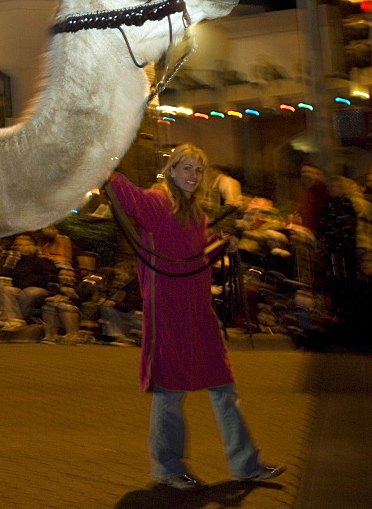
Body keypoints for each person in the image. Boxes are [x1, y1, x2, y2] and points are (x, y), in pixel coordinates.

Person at [106, 144, 283, 490]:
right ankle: (168, 469)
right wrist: (102, 159)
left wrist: (220, 243)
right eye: (185, 168)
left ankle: (246, 464)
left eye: (198, 170)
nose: (192, 175)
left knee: (223, 387)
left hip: (198, 312)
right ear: (171, 171)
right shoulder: (157, 203)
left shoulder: (197, 215)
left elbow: (194, 254)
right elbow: (122, 192)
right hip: (169, 312)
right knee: (170, 393)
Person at [0, 234, 59, 332]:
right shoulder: (16, 261)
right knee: (4, 289)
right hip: (20, 289)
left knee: (30, 292)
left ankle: (12, 319)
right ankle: (15, 320)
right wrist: (10, 262)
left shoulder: (43, 261)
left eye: (23, 245)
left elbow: (49, 277)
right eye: (18, 245)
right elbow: (6, 274)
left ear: (32, 246)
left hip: (39, 288)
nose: (20, 248)